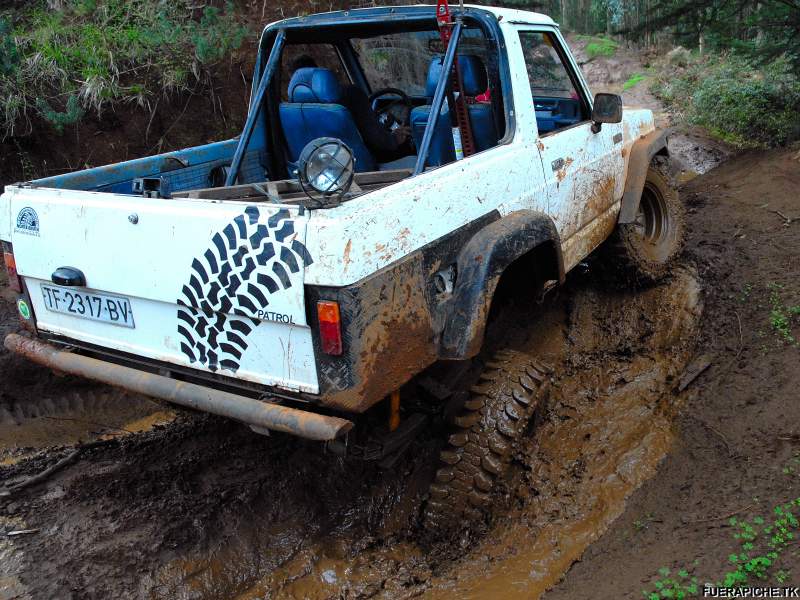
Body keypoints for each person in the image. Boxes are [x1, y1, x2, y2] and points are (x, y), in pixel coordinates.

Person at [288, 55, 410, 163]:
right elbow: (377, 139)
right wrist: (395, 138)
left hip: (317, 172)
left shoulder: (289, 111)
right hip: (360, 168)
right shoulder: (351, 95)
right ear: (318, 73)